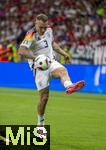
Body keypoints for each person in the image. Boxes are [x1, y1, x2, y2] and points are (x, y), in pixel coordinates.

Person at [18, 14, 85, 127]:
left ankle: (69, 86)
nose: (43, 29)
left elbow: (52, 43)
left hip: (50, 61)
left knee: (62, 70)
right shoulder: (30, 35)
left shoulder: (49, 30)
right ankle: (40, 125)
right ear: (36, 24)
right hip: (38, 68)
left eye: (45, 26)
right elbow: (21, 51)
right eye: (41, 27)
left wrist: (64, 54)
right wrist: (37, 58)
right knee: (44, 98)